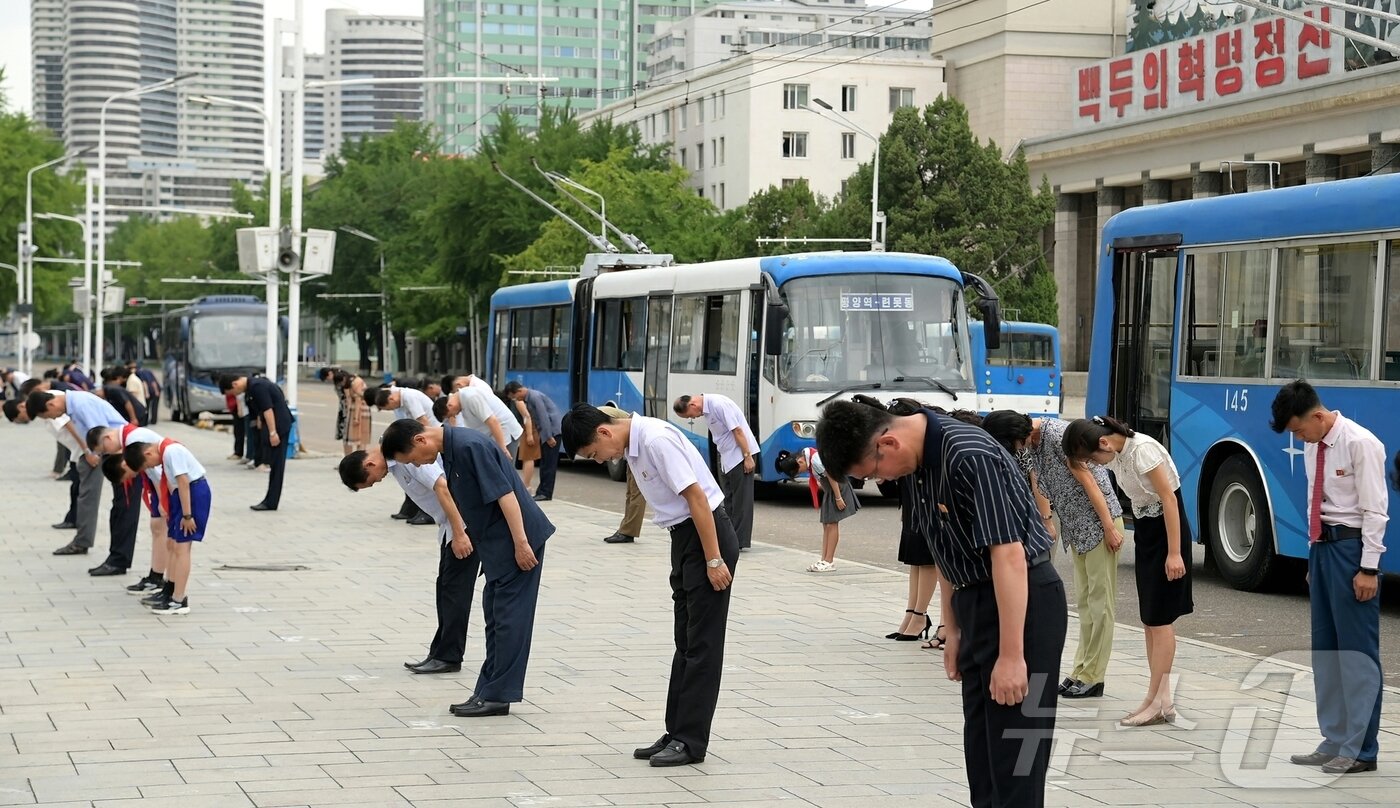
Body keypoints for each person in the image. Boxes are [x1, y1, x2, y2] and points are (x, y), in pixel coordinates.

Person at [816, 399, 1065, 806]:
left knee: (1017, 762)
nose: (883, 480)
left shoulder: (969, 454)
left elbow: (1009, 556)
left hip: (1024, 608)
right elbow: (945, 551)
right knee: (983, 759)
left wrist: (1012, 655)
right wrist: (954, 630)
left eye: (874, 473)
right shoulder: (918, 464)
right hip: (976, 603)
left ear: (889, 443)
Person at [561, 404, 738, 767]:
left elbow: (697, 498)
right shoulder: (636, 444)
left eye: (594, 454)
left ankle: (691, 741)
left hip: (706, 536)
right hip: (684, 537)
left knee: (702, 644)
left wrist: (714, 559)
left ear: (605, 432)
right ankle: (676, 732)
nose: (599, 461)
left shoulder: (655, 440)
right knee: (685, 641)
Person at [382, 418, 552, 717]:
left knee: (510, 620)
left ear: (421, 440)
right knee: (495, 617)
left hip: (516, 541)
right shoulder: (450, 449)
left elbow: (506, 495)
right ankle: (486, 689)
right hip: (498, 544)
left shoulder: (470, 445)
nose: (420, 466)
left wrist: (522, 543)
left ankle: (499, 695)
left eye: (413, 460)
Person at [1270, 380, 1386, 774]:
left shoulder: (1361, 444)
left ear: (1318, 416)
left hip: (1352, 552)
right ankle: (1334, 737)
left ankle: (1361, 749)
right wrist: (1311, 555)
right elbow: (1312, 501)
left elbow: (1375, 511)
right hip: (1322, 550)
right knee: (1327, 651)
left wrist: (1369, 567)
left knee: (1355, 654)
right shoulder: (1312, 443)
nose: (1298, 437)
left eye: (1299, 430)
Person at [983, 410, 1124, 700]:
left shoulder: (1060, 436)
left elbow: (1088, 479)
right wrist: (1046, 519)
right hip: (1077, 527)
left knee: (1101, 603)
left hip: (1099, 523)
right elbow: (1038, 481)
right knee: (1085, 603)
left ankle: (1094, 676)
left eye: (1017, 445)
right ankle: (1080, 670)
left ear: (1021, 436)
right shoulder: (1032, 442)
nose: (1019, 451)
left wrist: (1109, 527)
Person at [1063, 415, 1192, 727]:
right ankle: (1159, 699)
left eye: (1092, 458)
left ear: (1104, 443)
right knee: (1150, 618)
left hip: (1166, 531)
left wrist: (1174, 553)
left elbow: (1170, 501)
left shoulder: (1143, 451)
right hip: (1148, 530)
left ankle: (1158, 700)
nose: (1094, 464)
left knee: (1160, 619)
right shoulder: (1118, 454)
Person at [339, 447, 479, 674]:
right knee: (445, 589)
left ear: (369, 465)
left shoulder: (407, 455)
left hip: (463, 525)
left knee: (455, 592)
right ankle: (440, 652)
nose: (378, 482)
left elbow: (441, 485)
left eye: (372, 482)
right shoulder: (394, 457)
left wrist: (460, 533)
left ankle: (449, 656)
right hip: (451, 527)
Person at [26, 389, 140, 574]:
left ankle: (119, 561)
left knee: (124, 510)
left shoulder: (82, 405)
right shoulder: (75, 404)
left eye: (49, 415)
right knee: (118, 510)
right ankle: (116, 558)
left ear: (51, 404)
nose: (54, 418)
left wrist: (93, 455)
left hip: (124, 458)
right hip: (117, 456)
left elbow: (105, 438)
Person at [123, 437, 211, 615]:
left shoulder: (171, 452)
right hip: (181, 497)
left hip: (192, 494)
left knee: (182, 547)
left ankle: (179, 600)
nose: (150, 467)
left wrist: (187, 515)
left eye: (147, 465)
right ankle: (169, 591)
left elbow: (184, 482)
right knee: (172, 544)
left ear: (148, 453)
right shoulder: (165, 452)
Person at [89, 424, 169, 595]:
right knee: (157, 529)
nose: (107, 454)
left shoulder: (134, 439)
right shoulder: (129, 438)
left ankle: (162, 579)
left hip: (166, 484)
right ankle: (155, 576)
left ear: (108, 438)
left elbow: (155, 470)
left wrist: (162, 499)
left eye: (104, 450)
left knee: (164, 531)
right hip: (159, 486)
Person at [673, 394, 757, 550]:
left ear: (693, 405)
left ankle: (739, 540)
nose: (694, 418)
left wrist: (747, 456)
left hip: (740, 455)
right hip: (727, 456)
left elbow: (738, 431)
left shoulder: (718, 405)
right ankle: (730, 537)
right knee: (729, 498)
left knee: (741, 500)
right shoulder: (706, 410)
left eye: (691, 416)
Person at [774, 447, 858, 573]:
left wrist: (838, 497)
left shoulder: (815, 460)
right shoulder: (809, 458)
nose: (800, 473)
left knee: (832, 524)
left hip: (837, 489)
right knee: (827, 525)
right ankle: (824, 559)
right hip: (831, 491)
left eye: (798, 471)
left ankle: (829, 561)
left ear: (800, 462)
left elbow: (831, 475)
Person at [219, 374, 293, 511]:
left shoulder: (257, 386)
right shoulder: (253, 386)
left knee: (277, 465)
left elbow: (268, 409)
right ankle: (270, 500)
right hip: (277, 425)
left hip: (279, 426)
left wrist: (273, 432)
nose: (236, 394)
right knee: (274, 463)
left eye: (233, 393)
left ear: (235, 384)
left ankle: (271, 502)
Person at [372, 385, 440, 525]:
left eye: (389, 407)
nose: (391, 410)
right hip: (415, 441)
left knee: (427, 477)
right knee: (409, 476)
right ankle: (411, 509)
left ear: (391, 398)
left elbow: (423, 422)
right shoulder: (399, 403)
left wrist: (424, 447)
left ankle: (427, 513)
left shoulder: (409, 397)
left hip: (428, 441)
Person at [505, 382, 562, 502]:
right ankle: (542, 491)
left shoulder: (534, 397)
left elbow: (543, 417)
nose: (516, 400)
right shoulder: (530, 398)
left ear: (519, 391)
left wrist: (548, 437)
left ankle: (545, 492)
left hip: (552, 432)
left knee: (548, 464)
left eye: (514, 397)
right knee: (545, 463)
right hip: (549, 431)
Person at [433, 383, 522, 458]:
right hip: (495, 437)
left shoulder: (470, 397)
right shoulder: (462, 400)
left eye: (451, 415)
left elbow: (493, 421)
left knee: (505, 473)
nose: (455, 416)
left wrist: (503, 449)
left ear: (450, 406)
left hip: (505, 434)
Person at [598, 404, 645, 544]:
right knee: (631, 491)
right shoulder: (598, 414)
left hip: (636, 447)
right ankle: (625, 528)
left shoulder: (599, 417)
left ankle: (628, 532)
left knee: (636, 492)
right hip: (630, 447)